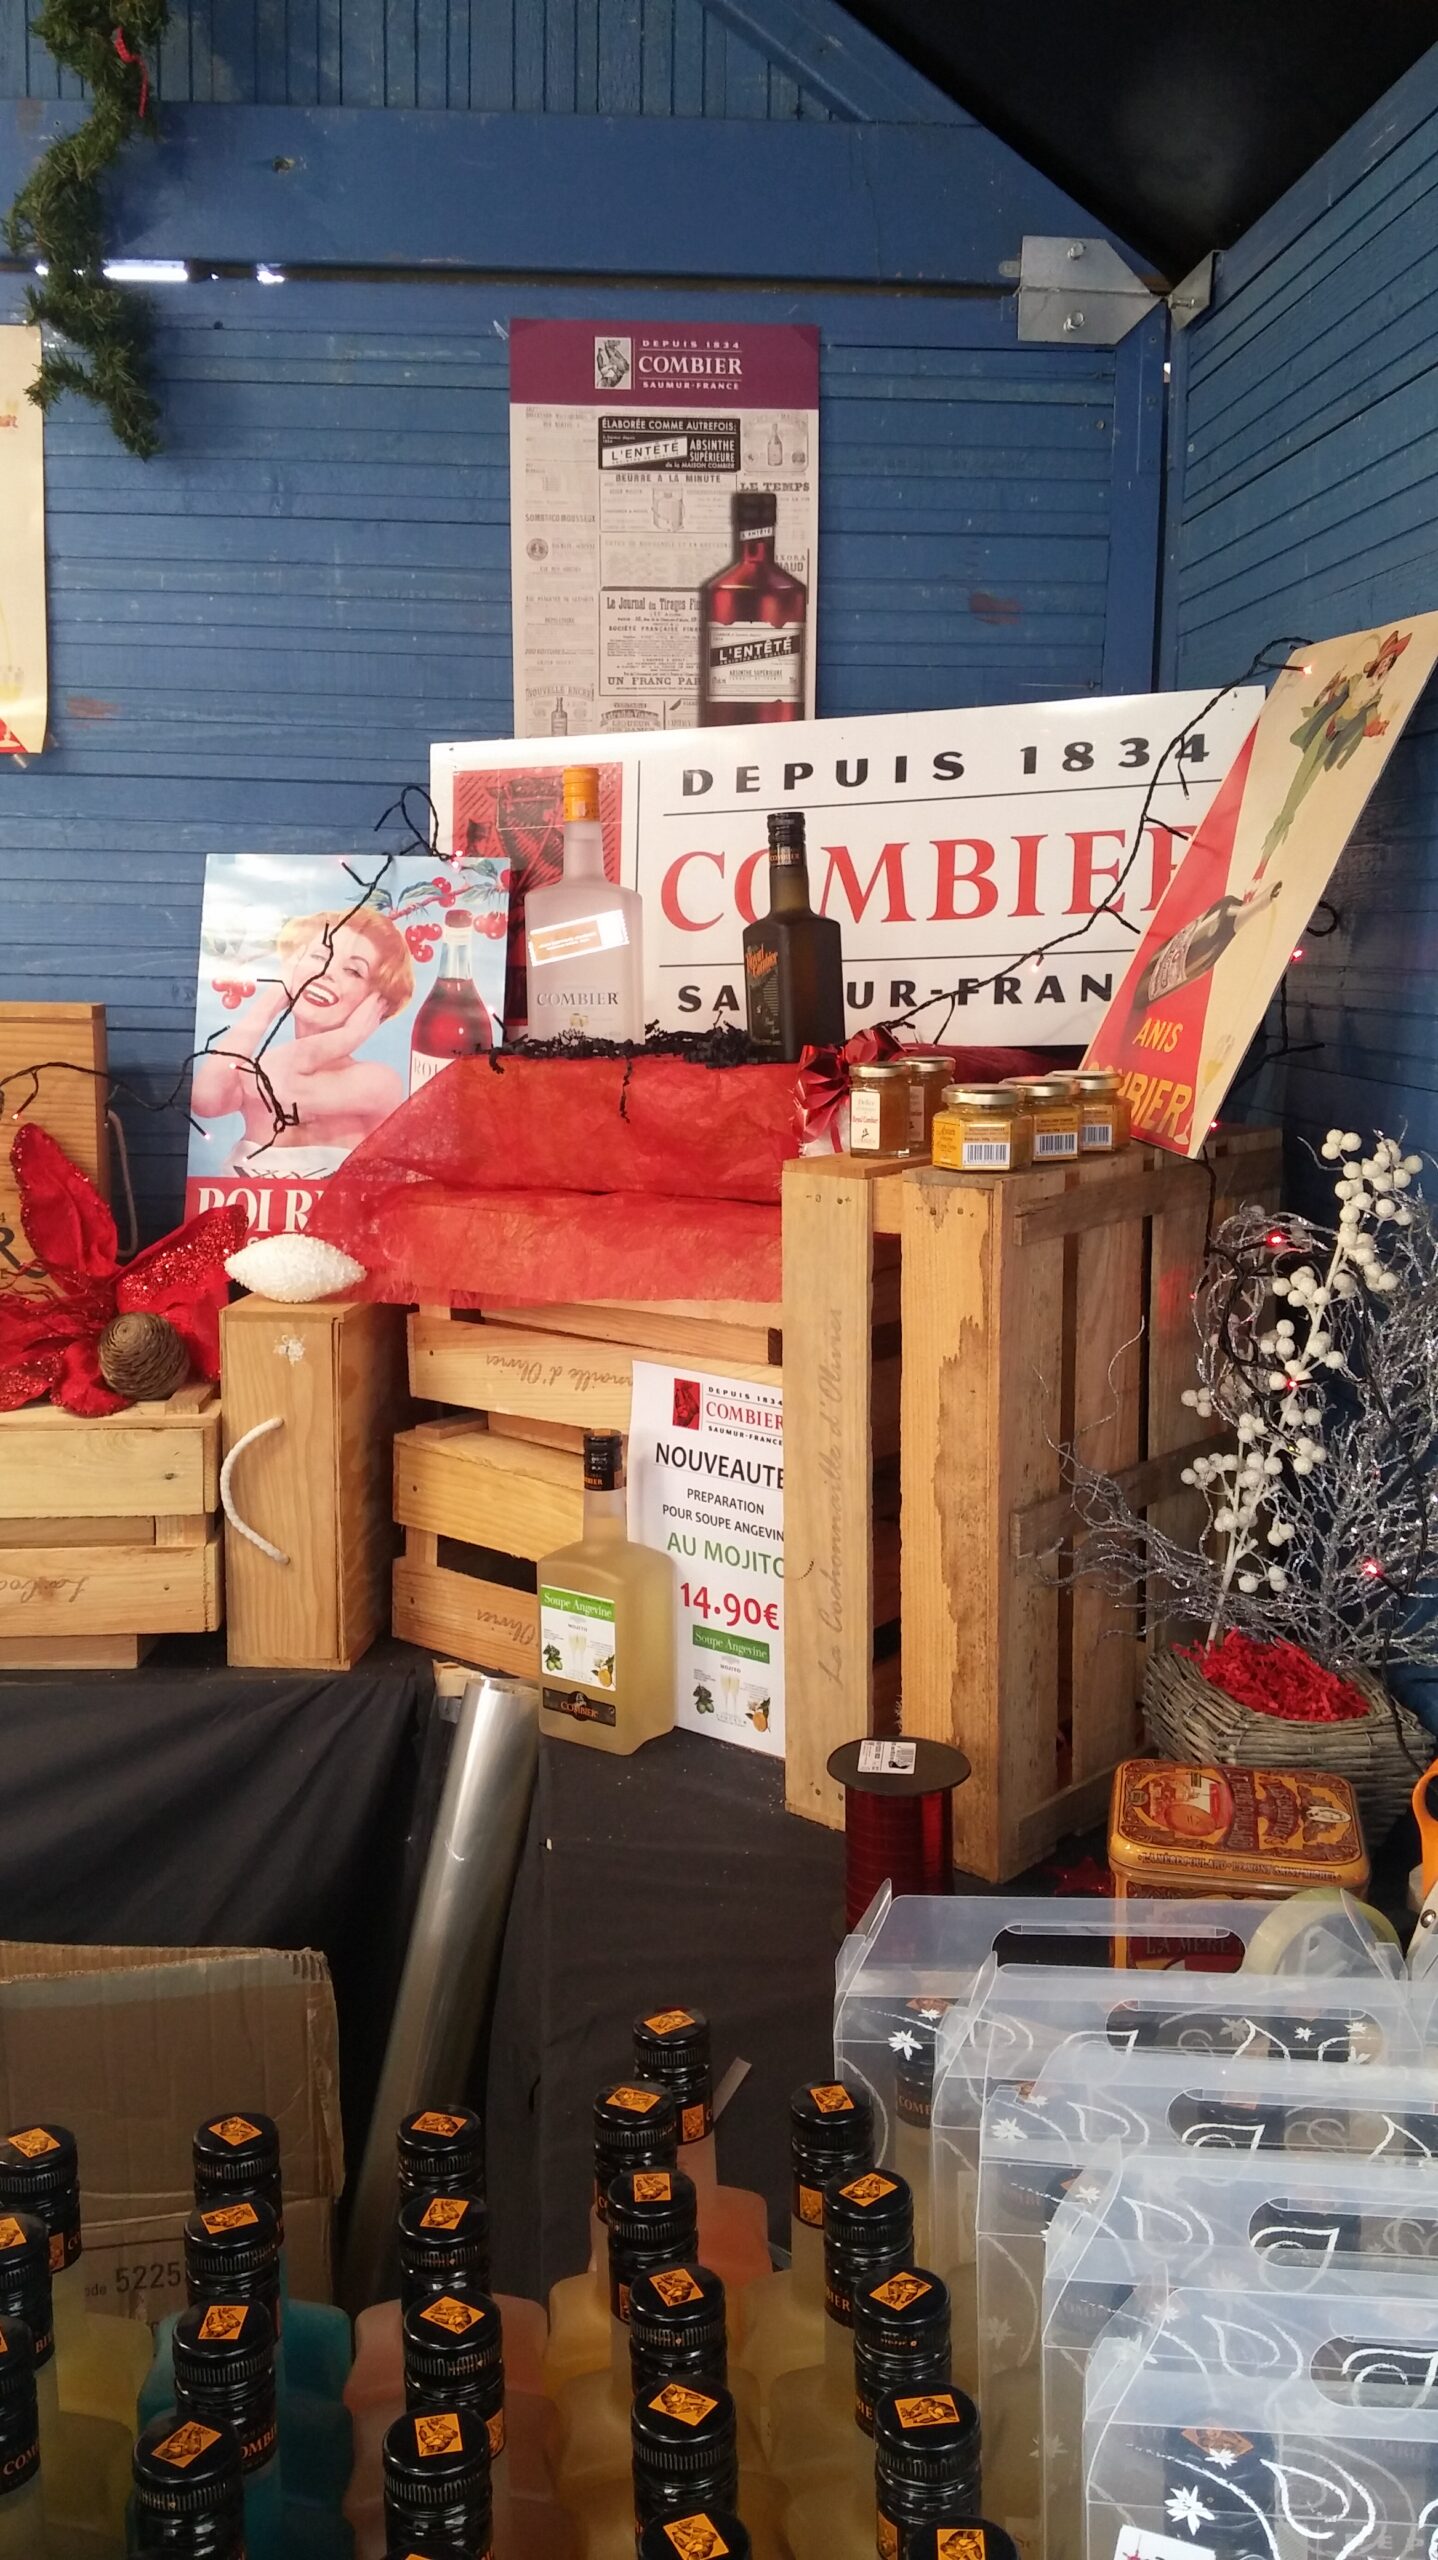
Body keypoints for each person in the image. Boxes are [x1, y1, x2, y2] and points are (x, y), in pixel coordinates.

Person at [191, 905, 415, 1170]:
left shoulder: (378, 1082)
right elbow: (205, 1099)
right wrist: (272, 998)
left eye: (353, 971)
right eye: (319, 957)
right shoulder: (253, 1071)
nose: (326, 973)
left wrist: (348, 1037)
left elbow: (281, 1086)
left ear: (377, 1001)